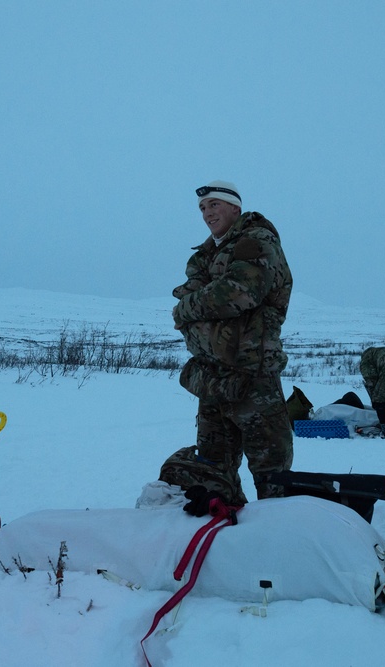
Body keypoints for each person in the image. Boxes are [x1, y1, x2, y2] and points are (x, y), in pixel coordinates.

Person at [157, 180, 294, 510]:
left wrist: (189, 308)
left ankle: (279, 535)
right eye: (203, 208)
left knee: (271, 472)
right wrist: (194, 305)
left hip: (252, 375)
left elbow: (237, 293)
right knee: (211, 467)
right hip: (212, 377)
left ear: (235, 207)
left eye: (214, 205)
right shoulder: (205, 254)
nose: (207, 213)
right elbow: (188, 296)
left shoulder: (256, 240)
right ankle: (226, 534)